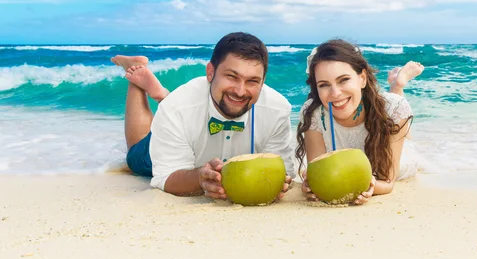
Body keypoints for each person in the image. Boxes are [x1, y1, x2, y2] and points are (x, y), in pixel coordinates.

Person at [110, 32, 296, 199]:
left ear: (263, 82)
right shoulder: (177, 108)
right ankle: (135, 72)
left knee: (182, 109)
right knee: (135, 157)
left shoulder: (277, 110)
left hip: (188, 112)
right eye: (231, 76)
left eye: (252, 81)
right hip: (176, 129)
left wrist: (280, 182)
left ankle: (163, 96)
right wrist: (199, 179)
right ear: (210, 72)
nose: (240, 91)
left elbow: (284, 171)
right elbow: (165, 176)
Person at [296, 39, 423, 205]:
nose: (335, 93)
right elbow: (319, 172)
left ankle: (398, 85)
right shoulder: (314, 114)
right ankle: (395, 85)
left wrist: (368, 186)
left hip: (394, 145)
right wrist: (313, 186)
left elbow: (388, 182)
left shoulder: (394, 109)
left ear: (362, 78)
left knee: (399, 121)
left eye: (343, 80)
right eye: (324, 85)